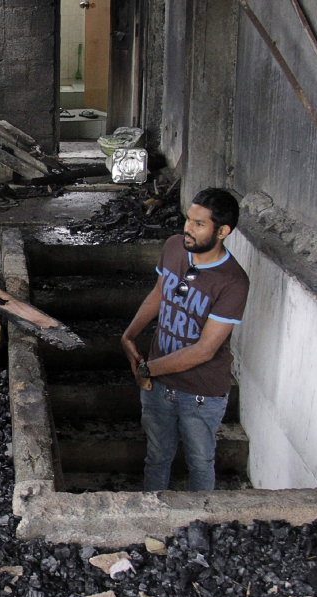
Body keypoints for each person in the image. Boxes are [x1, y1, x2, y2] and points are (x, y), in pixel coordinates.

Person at [121, 188, 249, 491]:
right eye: (188, 219)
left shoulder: (232, 281)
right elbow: (158, 294)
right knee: (156, 457)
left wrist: (147, 369)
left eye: (199, 224)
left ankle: (197, 526)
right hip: (157, 386)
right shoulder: (174, 247)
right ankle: (154, 521)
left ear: (223, 231)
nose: (187, 229)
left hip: (200, 394)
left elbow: (205, 350)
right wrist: (129, 335)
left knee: (200, 462)